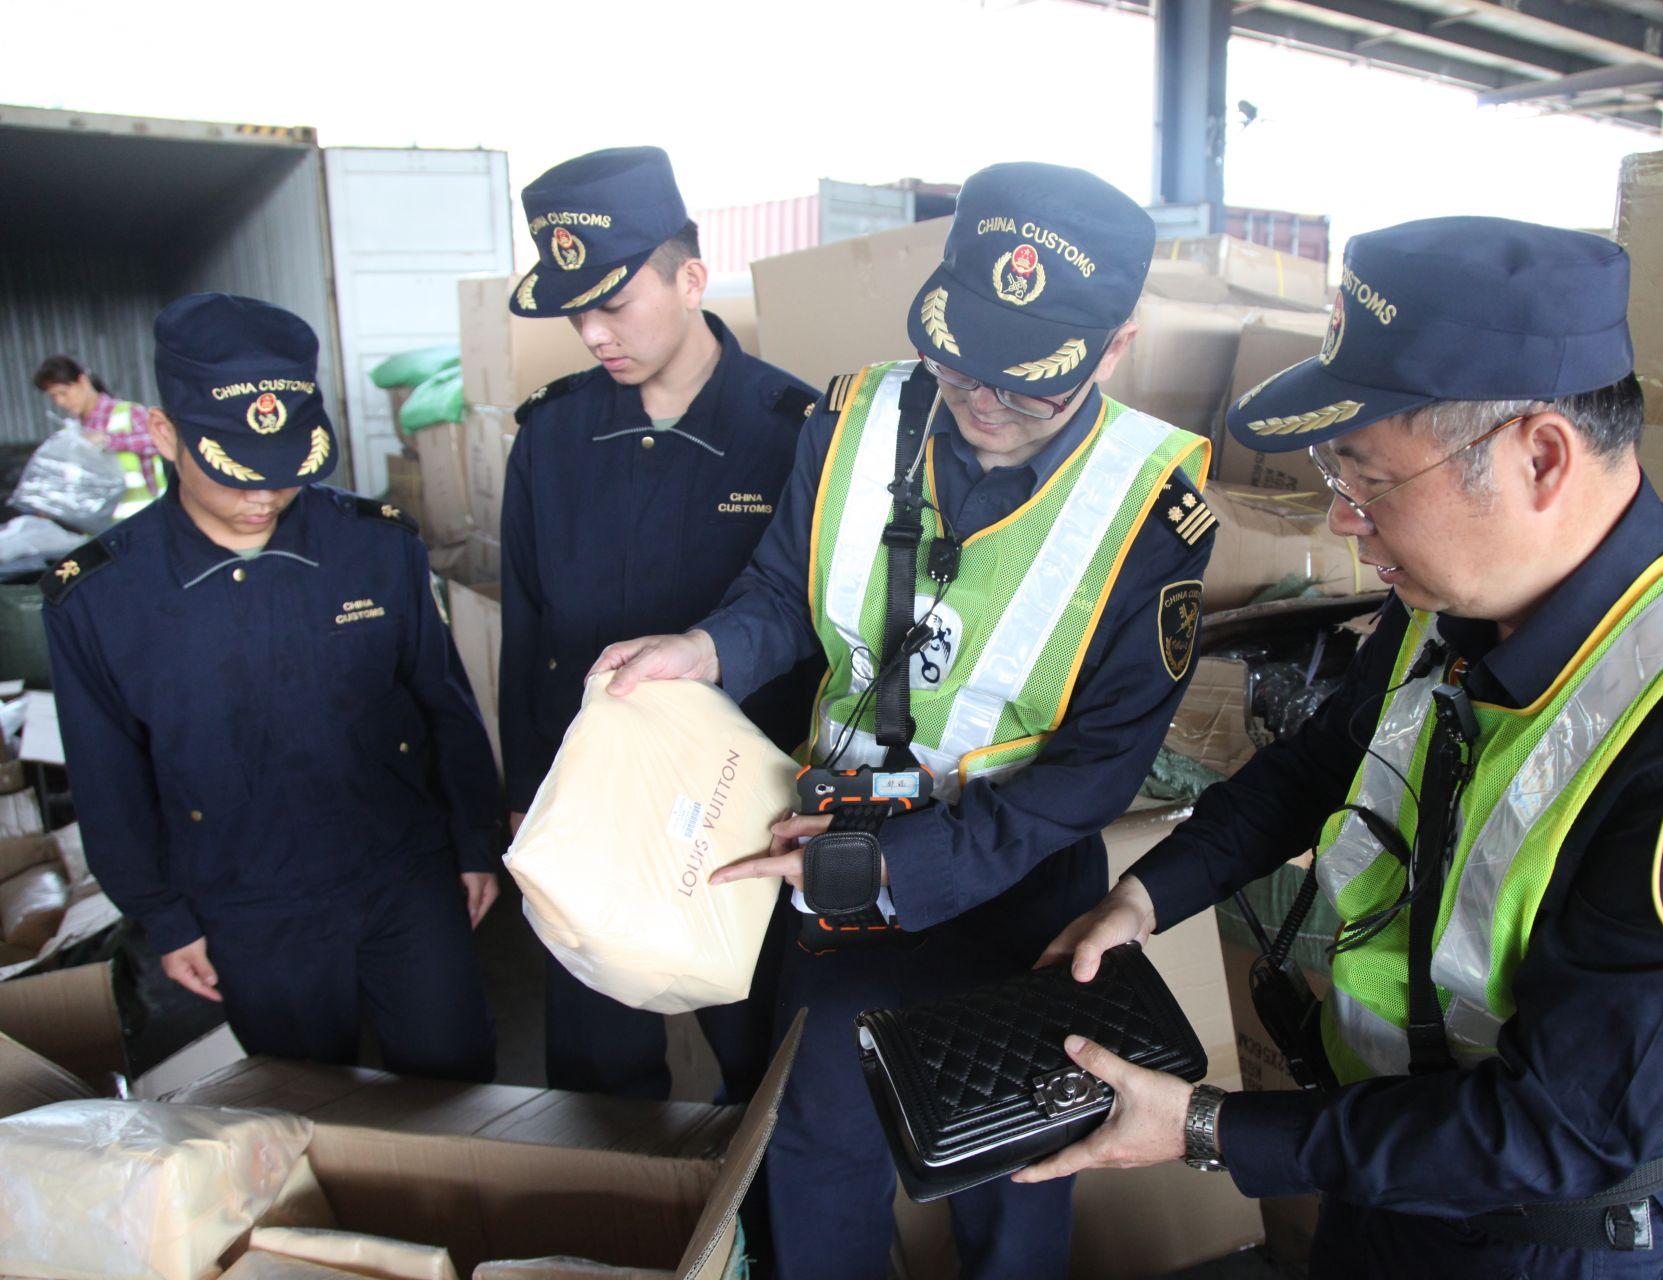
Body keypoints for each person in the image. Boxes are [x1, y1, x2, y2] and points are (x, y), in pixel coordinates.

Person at [1015, 217, 1663, 1278]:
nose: (1345, 521)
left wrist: (1207, 1126)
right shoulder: (1453, 595)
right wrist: (1147, 895)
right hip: (1387, 1171)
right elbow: (1319, 764)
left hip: (1554, 1237)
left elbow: (1560, 1126)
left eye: (1368, 480)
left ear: (1539, 456)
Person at [592, 161, 1220, 1280]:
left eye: (1025, 383)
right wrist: (703, 649)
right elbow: (785, 591)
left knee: (1013, 1173)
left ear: (1114, 345)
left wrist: (893, 866)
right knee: (820, 1146)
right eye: (957, 357)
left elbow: (1095, 771)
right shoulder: (855, 414)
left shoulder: (1155, 507)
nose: (979, 396)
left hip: (1018, 884)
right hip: (829, 854)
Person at [43, 293, 503, 1081]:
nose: (263, 494)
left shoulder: (373, 546)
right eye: (236, 471)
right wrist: (162, 914)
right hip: (245, 902)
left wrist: (474, 842)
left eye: (287, 471)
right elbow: (106, 777)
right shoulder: (101, 596)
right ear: (164, 434)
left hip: (402, 874)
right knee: (302, 1105)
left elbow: (442, 704)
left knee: (455, 1082)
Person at [501, 145, 820, 1103]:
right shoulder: (552, 436)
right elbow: (529, 630)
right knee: (597, 1078)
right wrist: (525, 796)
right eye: (576, 310)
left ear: (690, 277)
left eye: (615, 302)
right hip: (591, 806)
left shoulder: (794, 429)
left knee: (766, 1066)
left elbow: (821, 621)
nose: (595, 332)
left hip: (739, 809)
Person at [33, 354, 165, 517]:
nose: (60, 402)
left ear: (83, 381)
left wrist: (108, 440)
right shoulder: (74, 433)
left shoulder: (128, 413)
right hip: (100, 530)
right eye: (54, 396)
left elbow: (159, 441)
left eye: (63, 392)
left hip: (144, 521)